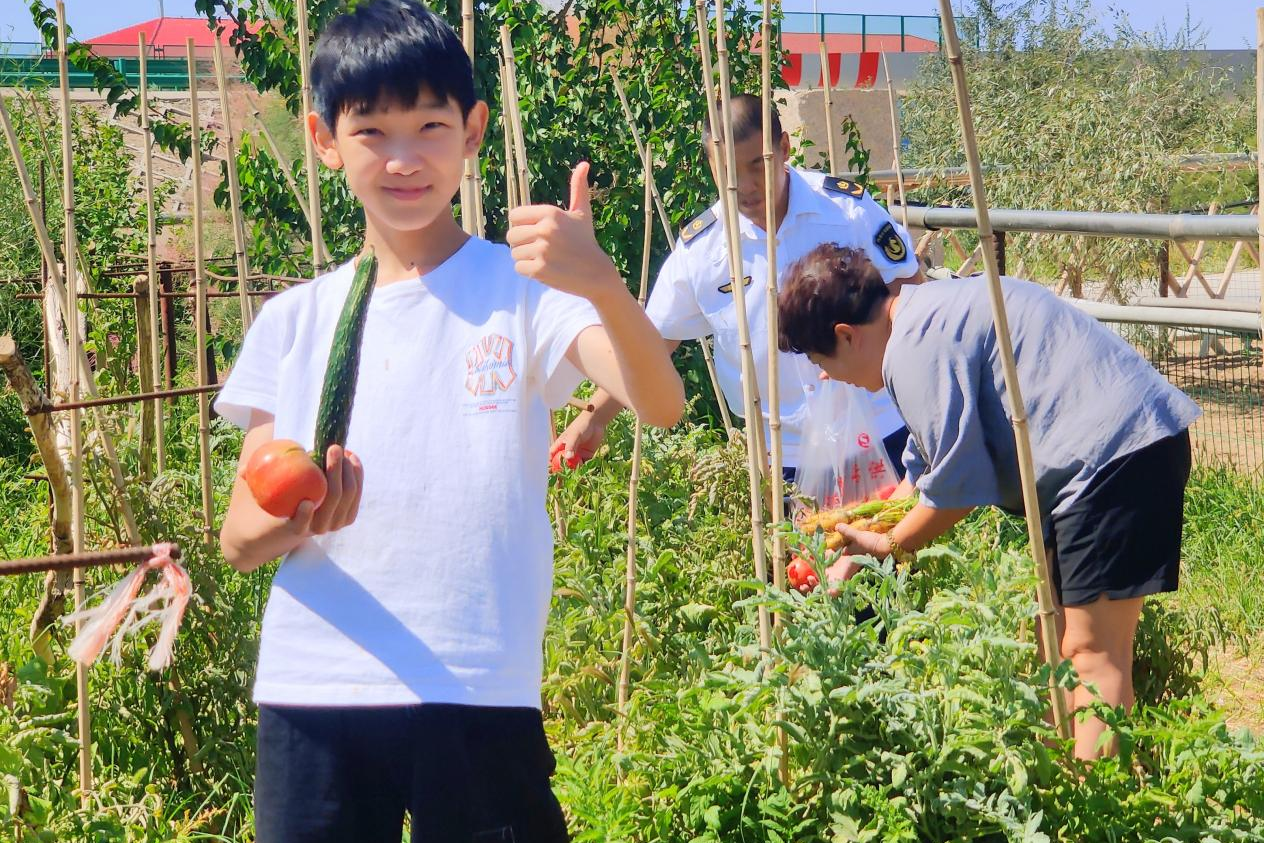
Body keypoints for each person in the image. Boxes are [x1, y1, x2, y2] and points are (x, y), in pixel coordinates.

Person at [214, 2, 684, 840]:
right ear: (326, 141)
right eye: (372, 132)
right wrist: (299, 512)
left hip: (477, 682)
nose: (404, 159)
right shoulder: (295, 320)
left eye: (430, 126)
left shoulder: (524, 290)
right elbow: (240, 536)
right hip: (315, 685)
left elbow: (661, 402)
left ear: (472, 132)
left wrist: (603, 283)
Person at [776, 242, 1200, 760]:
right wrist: (853, 551)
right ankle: (1061, 786)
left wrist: (888, 545)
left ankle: (1100, 812)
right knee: (1058, 645)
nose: (827, 375)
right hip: (1099, 459)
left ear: (846, 335)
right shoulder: (923, 314)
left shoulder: (910, 349)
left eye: (822, 360)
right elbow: (926, 471)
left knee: (1092, 655)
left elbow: (955, 488)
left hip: (1113, 456)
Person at [553, 93, 922, 485]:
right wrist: (591, 418)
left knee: (894, 544)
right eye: (728, 170)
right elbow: (651, 345)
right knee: (797, 548)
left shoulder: (847, 212)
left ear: (783, 148)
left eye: (756, 166)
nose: (746, 186)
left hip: (882, 433)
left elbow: (913, 298)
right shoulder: (703, 251)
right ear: (710, 165)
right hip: (782, 455)